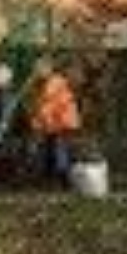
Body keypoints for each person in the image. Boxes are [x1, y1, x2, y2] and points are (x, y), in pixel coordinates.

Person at [30, 57, 81, 185]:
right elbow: (45, 107)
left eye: (38, 69)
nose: (36, 72)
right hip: (59, 123)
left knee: (60, 152)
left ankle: (64, 180)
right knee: (53, 150)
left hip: (62, 123)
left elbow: (47, 107)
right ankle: (54, 178)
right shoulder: (52, 82)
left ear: (47, 69)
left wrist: (37, 124)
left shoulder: (53, 83)